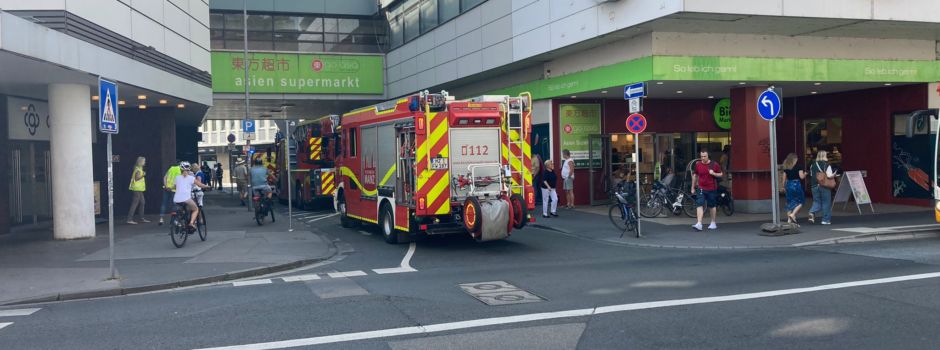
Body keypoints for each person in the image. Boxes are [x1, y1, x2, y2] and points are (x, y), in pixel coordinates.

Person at [691, 149, 723, 231]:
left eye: (704, 156)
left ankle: (713, 222)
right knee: (699, 203)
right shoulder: (698, 164)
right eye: (701, 156)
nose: (703, 158)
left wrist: (714, 173)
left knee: (712, 205)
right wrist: (693, 187)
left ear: (708, 156)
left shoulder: (714, 164)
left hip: (712, 188)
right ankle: (699, 223)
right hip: (701, 188)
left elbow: (721, 174)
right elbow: (695, 176)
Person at [174, 162, 209, 230]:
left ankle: (179, 221)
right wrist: (207, 186)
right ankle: (191, 223)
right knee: (196, 209)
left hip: (176, 198)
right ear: (189, 169)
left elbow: (174, 186)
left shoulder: (177, 177)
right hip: (186, 198)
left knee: (184, 209)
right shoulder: (191, 178)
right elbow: (200, 185)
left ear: (180, 170)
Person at [808, 150, 837, 225]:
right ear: (824, 156)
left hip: (814, 186)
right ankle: (825, 220)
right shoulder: (826, 165)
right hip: (824, 185)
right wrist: (834, 175)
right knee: (826, 202)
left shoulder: (812, 165)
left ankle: (812, 212)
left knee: (816, 201)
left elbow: (811, 175)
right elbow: (829, 176)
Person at [782, 153, 806, 224]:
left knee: (789, 202)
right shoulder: (799, 167)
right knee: (801, 201)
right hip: (796, 184)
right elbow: (801, 177)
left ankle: (789, 220)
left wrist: (783, 186)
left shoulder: (786, 167)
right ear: (795, 159)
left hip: (788, 184)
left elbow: (784, 178)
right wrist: (805, 174)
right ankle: (793, 214)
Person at [126, 156, 149, 224]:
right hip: (136, 188)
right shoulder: (138, 169)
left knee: (142, 202)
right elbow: (136, 178)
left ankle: (141, 218)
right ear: (141, 162)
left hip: (139, 188)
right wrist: (143, 175)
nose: (145, 162)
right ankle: (129, 219)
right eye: (144, 161)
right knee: (135, 203)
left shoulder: (139, 168)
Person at [158, 161, 182, 225]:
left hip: (166, 189)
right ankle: (174, 220)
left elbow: (165, 177)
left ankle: (161, 219)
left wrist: (166, 186)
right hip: (174, 190)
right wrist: (171, 188)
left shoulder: (171, 168)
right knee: (175, 205)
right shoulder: (180, 171)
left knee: (164, 203)